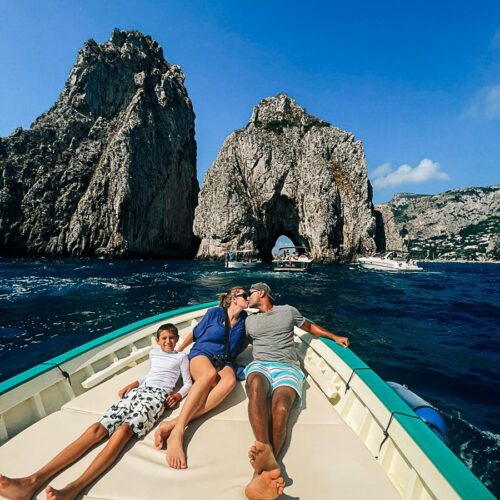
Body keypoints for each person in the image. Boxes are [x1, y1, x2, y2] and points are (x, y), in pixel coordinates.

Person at [0, 324, 192, 500]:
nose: (168, 341)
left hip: (157, 397)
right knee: (96, 429)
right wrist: (135, 383)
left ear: (177, 339)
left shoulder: (181, 357)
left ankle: (74, 488)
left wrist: (177, 396)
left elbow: (188, 383)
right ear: (157, 340)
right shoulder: (153, 354)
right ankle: (30, 482)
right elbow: (151, 375)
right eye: (164, 338)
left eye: (172, 338)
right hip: (139, 392)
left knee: (124, 431)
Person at [243, 283, 349, 499]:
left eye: (250, 293)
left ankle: (261, 472)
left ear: (262, 293)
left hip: (287, 367)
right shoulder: (249, 320)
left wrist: (334, 336)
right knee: (255, 387)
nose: (247, 296)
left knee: (281, 407)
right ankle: (266, 454)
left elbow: (310, 327)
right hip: (261, 365)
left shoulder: (288, 311)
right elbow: (237, 341)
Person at [154, 286, 248, 469]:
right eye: (244, 295)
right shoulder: (214, 313)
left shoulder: (246, 321)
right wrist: (178, 352)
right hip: (202, 354)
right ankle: (178, 432)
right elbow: (195, 333)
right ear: (234, 298)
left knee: (229, 381)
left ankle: (174, 423)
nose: (248, 297)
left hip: (225, 361)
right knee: (209, 375)